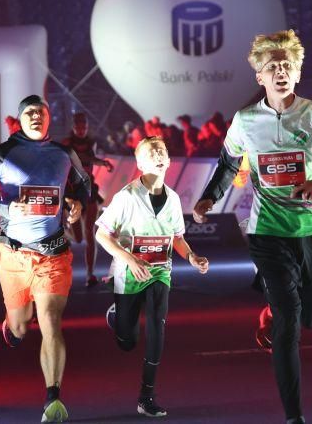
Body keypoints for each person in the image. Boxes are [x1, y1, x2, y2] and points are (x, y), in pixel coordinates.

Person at [192, 29, 312, 424]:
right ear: (260, 76)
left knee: (311, 318)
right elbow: (228, 163)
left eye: (288, 65)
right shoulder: (245, 120)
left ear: (299, 73)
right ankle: (293, 415)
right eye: (273, 67)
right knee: (290, 323)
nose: (281, 71)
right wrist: (208, 198)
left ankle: (273, 310)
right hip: (267, 231)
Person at [0, 96, 91, 423]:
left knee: (50, 319)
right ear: (20, 119)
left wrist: (77, 203)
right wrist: (9, 207)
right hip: (14, 254)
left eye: (41, 112)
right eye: (29, 113)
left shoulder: (64, 154)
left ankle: (53, 398)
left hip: (53, 253)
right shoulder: (2, 154)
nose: (36, 116)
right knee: (22, 327)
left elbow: (84, 184)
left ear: (49, 118)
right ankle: (13, 323)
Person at [96, 136, 209, 417]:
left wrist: (192, 257)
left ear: (169, 161)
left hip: (159, 271)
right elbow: (102, 235)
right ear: (139, 163)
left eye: (162, 151)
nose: (158, 155)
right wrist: (130, 258)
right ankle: (118, 316)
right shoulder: (127, 196)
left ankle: (146, 396)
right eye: (151, 152)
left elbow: (177, 238)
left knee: (158, 328)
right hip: (129, 272)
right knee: (127, 341)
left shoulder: (173, 199)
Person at [60, 112, 115, 287]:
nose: (81, 129)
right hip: (72, 191)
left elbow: (91, 159)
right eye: (78, 127)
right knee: (78, 238)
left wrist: (102, 163)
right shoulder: (66, 143)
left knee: (90, 233)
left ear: (87, 127)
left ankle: (90, 274)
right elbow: (77, 158)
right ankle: (64, 231)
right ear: (73, 127)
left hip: (89, 189)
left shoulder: (92, 142)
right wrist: (101, 162)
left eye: (84, 127)